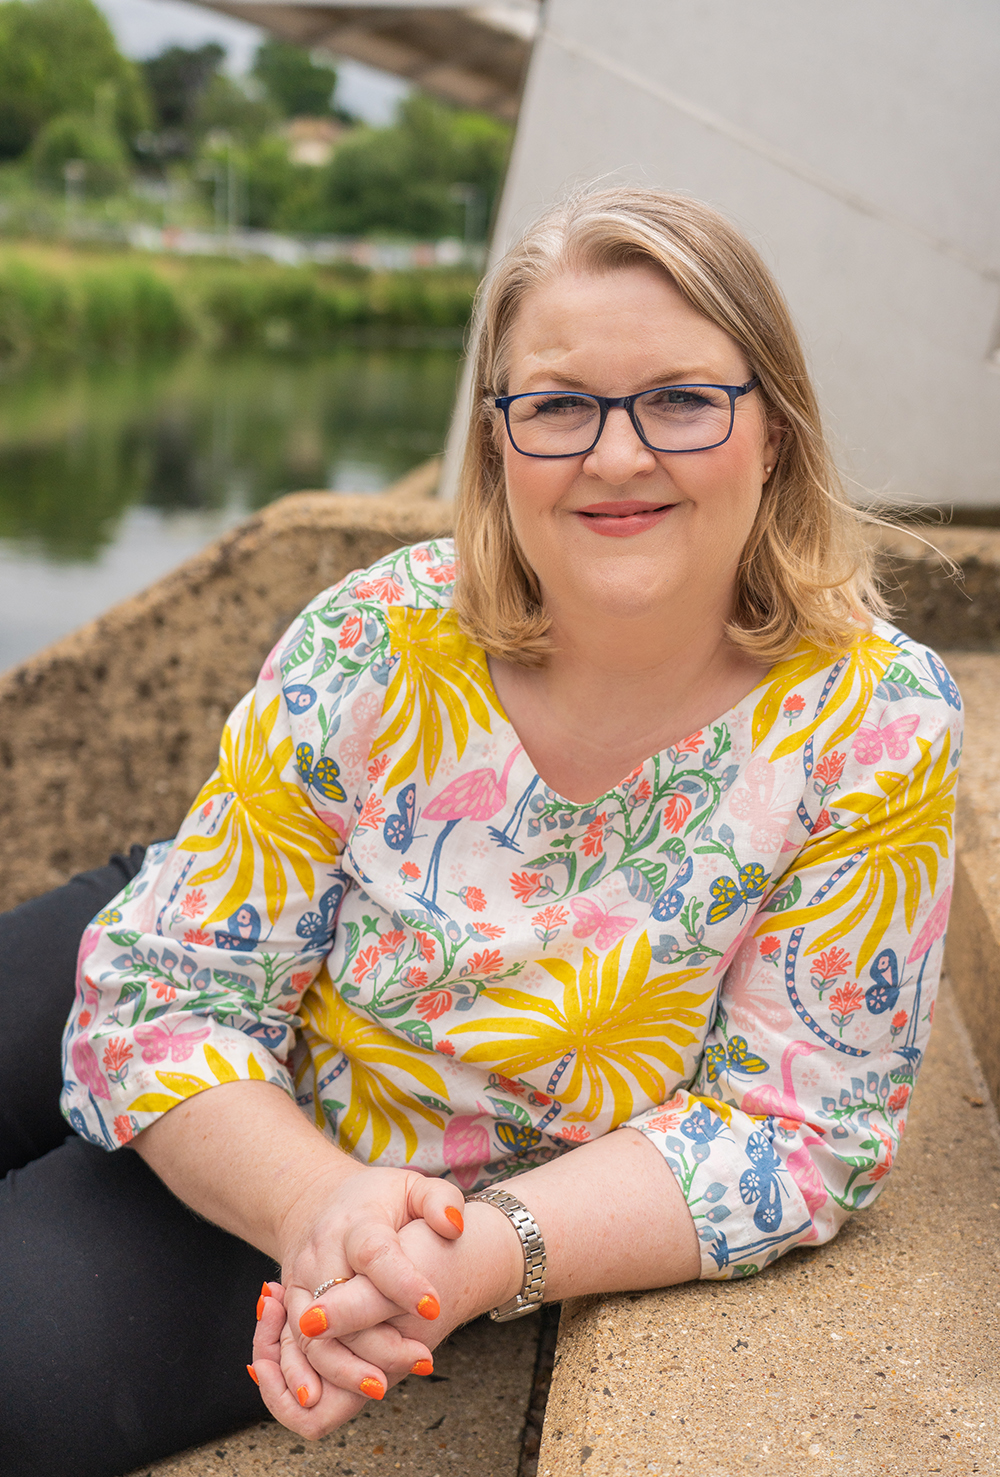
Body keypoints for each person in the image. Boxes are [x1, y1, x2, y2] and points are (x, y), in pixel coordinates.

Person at [1, 187, 961, 1475]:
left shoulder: (875, 727)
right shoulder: (382, 633)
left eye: (681, 398)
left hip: (406, 1189)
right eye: (559, 405)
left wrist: (474, 1251)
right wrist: (313, 1197)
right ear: (499, 440)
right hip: (242, 1010)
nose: (617, 457)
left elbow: (797, 1126)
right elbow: (170, 988)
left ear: (773, 430)